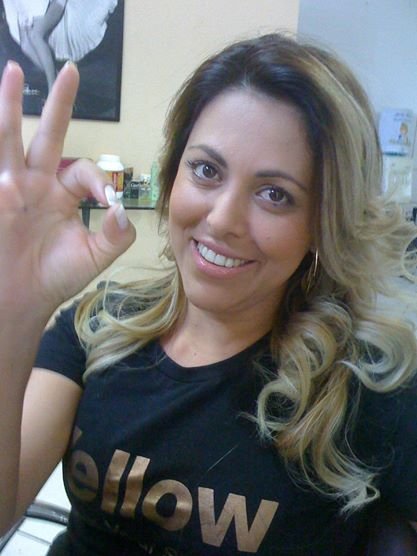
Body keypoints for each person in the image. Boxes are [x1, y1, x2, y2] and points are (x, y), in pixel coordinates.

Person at [0, 32, 416, 556]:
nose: (221, 219)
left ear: (322, 223)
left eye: (275, 194)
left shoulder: (370, 387)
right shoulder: (100, 324)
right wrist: (15, 308)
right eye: (206, 170)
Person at [2, 0, 118, 91]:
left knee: (36, 35)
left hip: (57, 3)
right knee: (25, 45)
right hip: (36, 7)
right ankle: (58, 79)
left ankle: (53, 87)